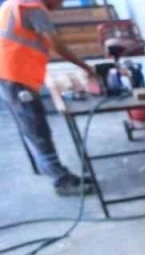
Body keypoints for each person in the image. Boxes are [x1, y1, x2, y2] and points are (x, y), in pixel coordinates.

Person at [0, 0, 96, 196]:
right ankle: (61, 181)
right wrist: (86, 67)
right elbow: (55, 44)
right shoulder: (32, 7)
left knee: (33, 127)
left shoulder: (15, 3)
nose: (61, 4)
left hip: (12, 74)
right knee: (37, 129)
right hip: (15, 76)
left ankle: (58, 173)